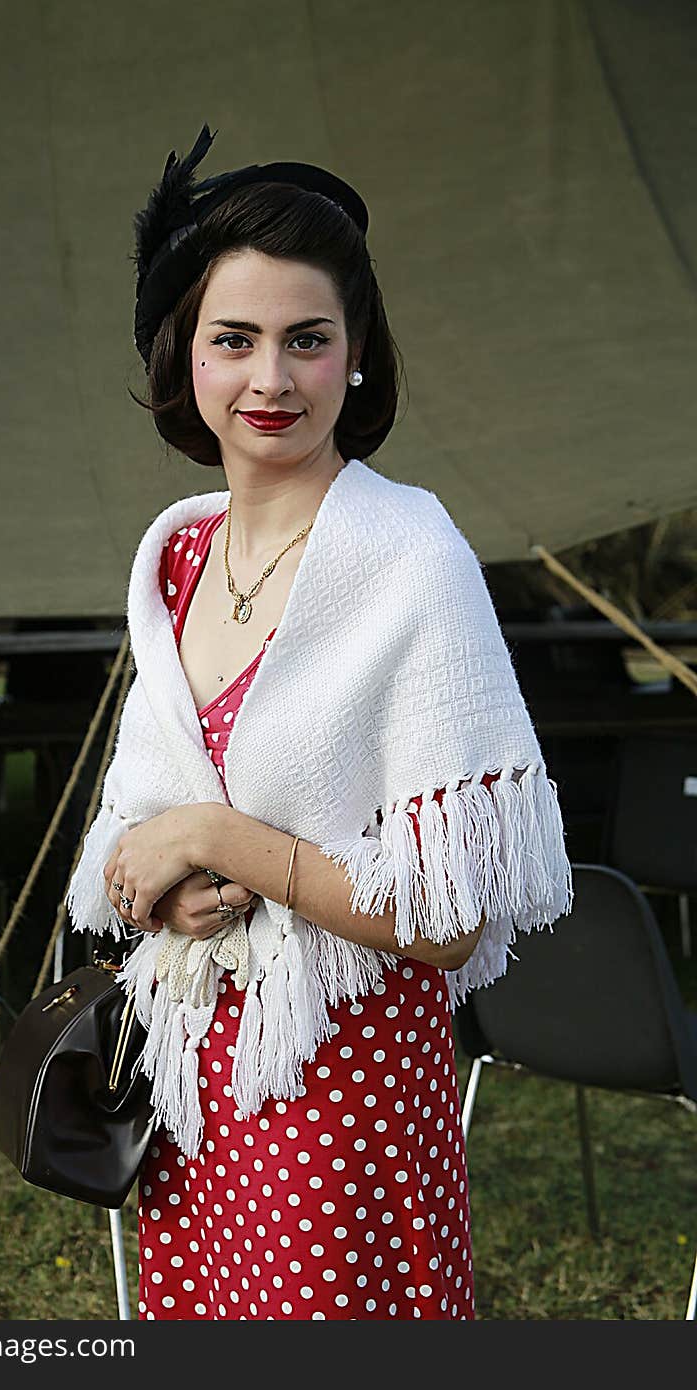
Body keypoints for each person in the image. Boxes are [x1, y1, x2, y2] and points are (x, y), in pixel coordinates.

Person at [66, 124, 573, 1321]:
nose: (271, 379)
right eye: (232, 340)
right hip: (191, 1085)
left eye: (308, 340)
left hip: (340, 1095)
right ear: (183, 358)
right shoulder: (179, 557)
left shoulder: (409, 555)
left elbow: (448, 922)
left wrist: (225, 841)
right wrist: (167, 883)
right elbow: (135, 838)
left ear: (356, 358)